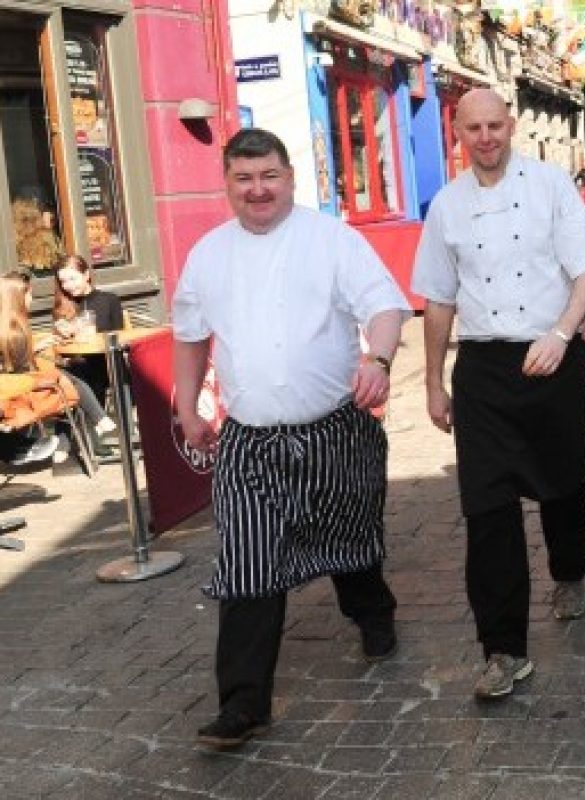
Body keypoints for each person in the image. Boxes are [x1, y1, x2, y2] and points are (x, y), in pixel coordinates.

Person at [172, 128, 410, 750]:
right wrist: (185, 405)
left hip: (334, 429)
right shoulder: (207, 254)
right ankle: (244, 705)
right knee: (248, 565)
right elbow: (191, 334)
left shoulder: (331, 239)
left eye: (269, 176)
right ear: (226, 183)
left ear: (290, 178)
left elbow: (385, 307)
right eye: (244, 179)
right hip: (249, 443)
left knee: (349, 537)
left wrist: (378, 362)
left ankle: (372, 612)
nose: (258, 190)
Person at [412, 89, 585, 701]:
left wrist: (561, 334)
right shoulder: (446, 206)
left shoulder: (551, 187)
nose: (486, 136)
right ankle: (503, 649)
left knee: (562, 481)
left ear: (511, 125)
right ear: (459, 132)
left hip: (550, 356)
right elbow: (438, 298)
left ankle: (569, 571)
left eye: (496, 125)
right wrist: (432, 381)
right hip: (484, 370)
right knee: (487, 510)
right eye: (474, 127)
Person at [0, 272, 115, 467]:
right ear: (17, 299)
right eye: (28, 295)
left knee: (70, 376)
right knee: (71, 379)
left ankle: (76, 434)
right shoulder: (15, 331)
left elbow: (13, 364)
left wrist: (37, 347)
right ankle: (98, 420)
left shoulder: (8, 328)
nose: (32, 299)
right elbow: (19, 372)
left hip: (16, 387)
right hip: (23, 394)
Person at [51, 254, 123, 409]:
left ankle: (96, 422)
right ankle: (95, 423)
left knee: (93, 371)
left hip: (105, 362)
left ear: (86, 275)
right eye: (63, 281)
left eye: (72, 279)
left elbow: (118, 337)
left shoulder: (109, 300)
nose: (68, 286)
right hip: (75, 365)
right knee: (71, 375)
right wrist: (63, 333)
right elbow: (60, 350)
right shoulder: (62, 305)